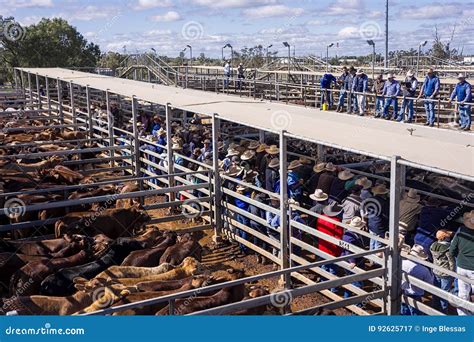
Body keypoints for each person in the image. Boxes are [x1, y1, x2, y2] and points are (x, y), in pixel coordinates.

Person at [449, 210, 474, 315]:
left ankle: (463, 317)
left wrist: (459, 258)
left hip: (461, 267)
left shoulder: (460, 231)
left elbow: (452, 250)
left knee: (462, 294)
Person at [316, 202, 344, 293]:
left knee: (324, 265)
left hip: (323, 245)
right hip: (333, 248)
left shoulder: (321, 217)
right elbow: (339, 237)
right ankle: (333, 288)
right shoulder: (337, 222)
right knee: (333, 268)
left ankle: (323, 284)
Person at [401, 244, 435, 315]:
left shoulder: (401, 263)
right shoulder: (424, 270)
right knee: (416, 313)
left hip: (402, 291)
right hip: (415, 294)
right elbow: (430, 285)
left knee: (403, 311)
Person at [430, 229, 455, 314]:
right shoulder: (448, 248)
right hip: (445, 273)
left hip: (436, 270)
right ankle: (443, 311)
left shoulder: (433, 245)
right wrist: (453, 273)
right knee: (444, 293)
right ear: (444, 238)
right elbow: (451, 262)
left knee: (436, 291)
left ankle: (434, 308)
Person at [365, 184, 389, 250]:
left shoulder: (370, 199)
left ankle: (371, 257)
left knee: (372, 242)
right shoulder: (384, 203)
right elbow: (386, 216)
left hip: (371, 223)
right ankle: (376, 259)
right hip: (379, 226)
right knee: (379, 245)